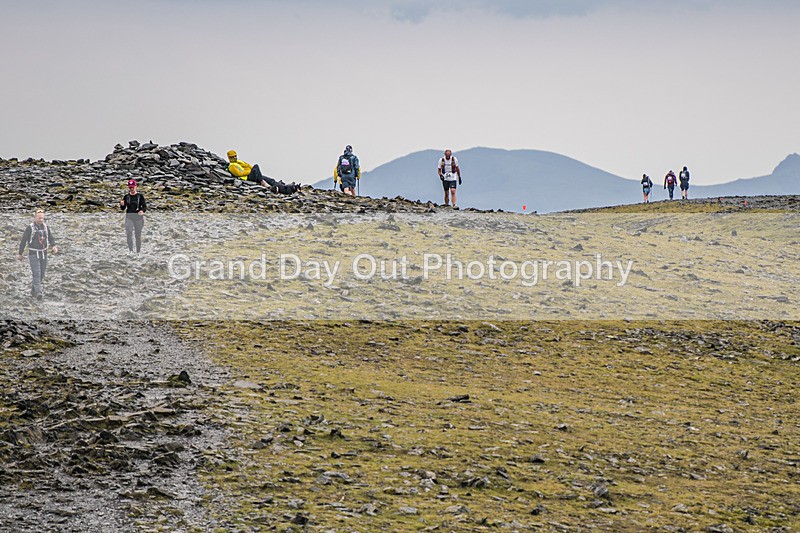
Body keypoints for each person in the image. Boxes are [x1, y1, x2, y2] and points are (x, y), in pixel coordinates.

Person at [17, 209, 59, 300]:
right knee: (36, 273)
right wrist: (20, 253)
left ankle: (33, 290)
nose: (41, 220)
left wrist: (54, 246)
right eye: (39, 218)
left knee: (42, 274)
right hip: (33, 253)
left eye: (42, 218)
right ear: (35, 217)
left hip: (44, 253)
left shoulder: (45, 227)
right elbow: (23, 241)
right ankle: (38, 293)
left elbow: (51, 238)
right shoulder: (30, 228)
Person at [227, 150, 299, 194]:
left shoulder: (239, 161)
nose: (234, 157)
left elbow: (248, 166)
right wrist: (250, 171)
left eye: (235, 156)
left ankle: (288, 188)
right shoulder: (232, 166)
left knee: (271, 180)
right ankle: (263, 182)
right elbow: (239, 174)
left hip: (251, 174)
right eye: (232, 157)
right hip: (247, 177)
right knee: (256, 166)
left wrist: (251, 170)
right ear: (229, 157)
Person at [120, 179, 147, 255]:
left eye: (132, 187)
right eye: (130, 187)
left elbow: (144, 206)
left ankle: (138, 252)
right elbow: (123, 208)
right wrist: (122, 205)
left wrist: (142, 211)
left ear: (135, 186)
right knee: (129, 232)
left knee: (137, 235)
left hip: (138, 218)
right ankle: (130, 251)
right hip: (129, 217)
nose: (131, 189)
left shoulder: (140, 196)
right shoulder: (126, 197)